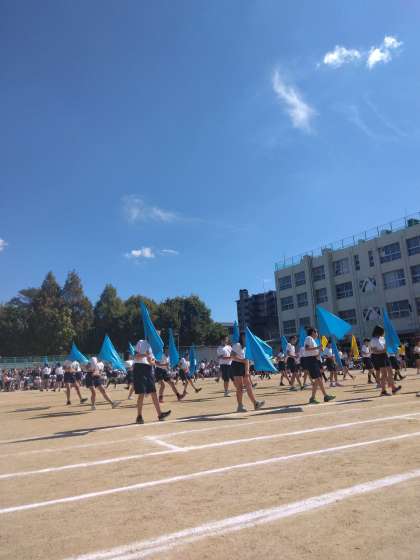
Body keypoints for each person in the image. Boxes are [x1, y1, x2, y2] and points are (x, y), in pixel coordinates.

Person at [133, 338, 171, 424]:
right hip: (139, 368)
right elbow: (135, 356)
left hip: (148, 369)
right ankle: (139, 416)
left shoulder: (154, 348)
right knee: (142, 393)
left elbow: (153, 362)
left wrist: (152, 362)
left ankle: (160, 414)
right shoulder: (141, 342)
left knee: (153, 392)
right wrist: (145, 355)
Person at [230, 335, 265, 413]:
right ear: (242, 337)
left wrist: (247, 371)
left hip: (244, 366)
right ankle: (240, 406)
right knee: (239, 387)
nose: (247, 339)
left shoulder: (246, 348)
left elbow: (247, 360)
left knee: (249, 385)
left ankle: (255, 403)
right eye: (245, 337)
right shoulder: (237, 345)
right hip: (236, 365)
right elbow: (232, 356)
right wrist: (242, 361)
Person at [303, 327, 335, 405]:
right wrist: (318, 347)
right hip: (310, 360)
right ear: (313, 332)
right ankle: (325, 396)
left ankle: (313, 398)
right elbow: (306, 348)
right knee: (318, 378)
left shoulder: (313, 340)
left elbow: (315, 354)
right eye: (316, 332)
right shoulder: (308, 338)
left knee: (318, 379)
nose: (317, 334)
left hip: (314, 359)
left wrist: (319, 351)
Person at [370, 325, 401, 397]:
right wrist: (383, 350)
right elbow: (374, 351)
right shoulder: (373, 340)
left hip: (385, 356)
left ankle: (393, 388)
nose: (384, 332)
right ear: (379, 332)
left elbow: (386, 346)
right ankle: (383, 391)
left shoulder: (382, 338)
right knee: (384, 374)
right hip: (379, 357)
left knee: (390, 372)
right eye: (383, 331)